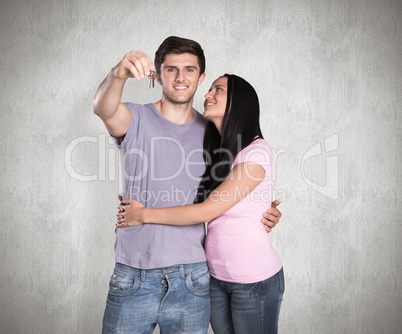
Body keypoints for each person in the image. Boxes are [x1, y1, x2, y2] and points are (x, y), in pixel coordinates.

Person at [93, 36, 282, 334]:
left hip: (192, 275)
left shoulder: (213, 132)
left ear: (200, 77)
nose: (181, 77)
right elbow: (103, 109)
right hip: (134, 272)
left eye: (190, 70)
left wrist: (262, 211)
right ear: (157, 75)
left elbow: (229, 191)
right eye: (171, 69)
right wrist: (118, 73)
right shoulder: (135, 117)